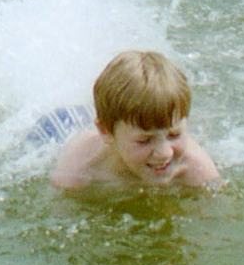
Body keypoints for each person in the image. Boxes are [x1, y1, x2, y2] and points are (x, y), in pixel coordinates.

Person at [49, 50, 220, 193]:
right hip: (62, 127)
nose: (164, 153)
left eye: (174, 135)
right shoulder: (78, 168)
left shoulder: (198, 171)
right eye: (145, 140)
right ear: (106, 132)